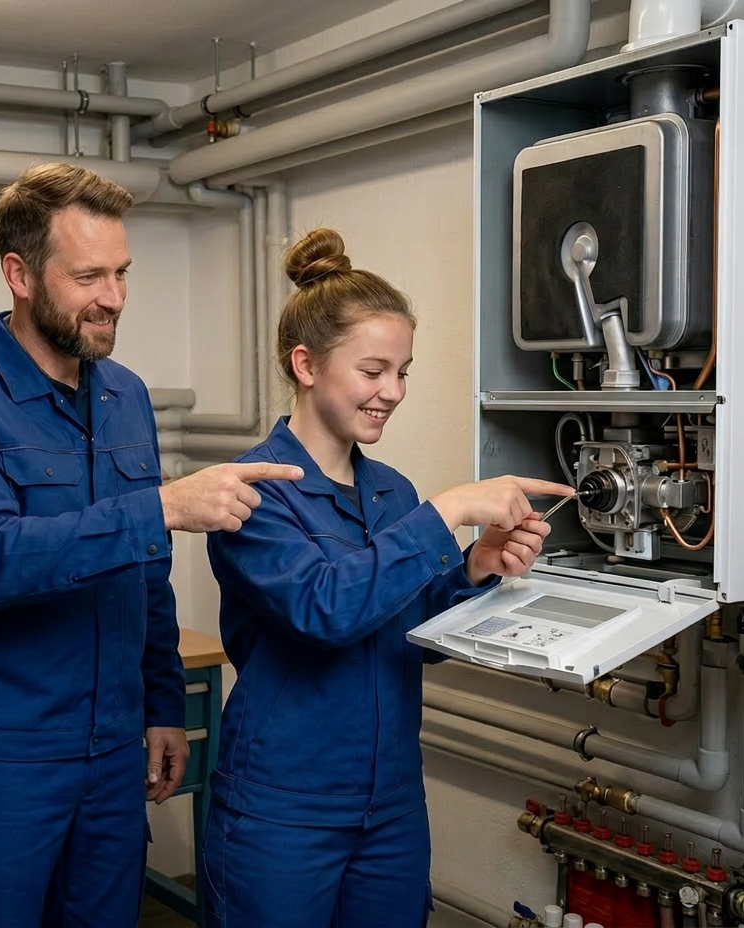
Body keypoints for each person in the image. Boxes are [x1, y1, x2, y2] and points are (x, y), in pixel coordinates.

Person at [0, 162, 303, 928]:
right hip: (3, 760)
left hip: (114, 752)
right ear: (19, 275)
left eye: (121, 273)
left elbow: (144, 578)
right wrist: (162, 507)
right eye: (88, 276)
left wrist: (161, 706)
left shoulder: (127, 396)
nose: (113, 297)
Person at [200, 228, 574, 928]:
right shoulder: (251, 493)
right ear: (306, 364)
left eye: (403, 372)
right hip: (283, 808)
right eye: (373, 371)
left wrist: (475, 567)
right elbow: (324, 610)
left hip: (391, 803)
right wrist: (449, 510)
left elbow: (407, 632)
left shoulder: (391, 491)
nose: (393, 392)